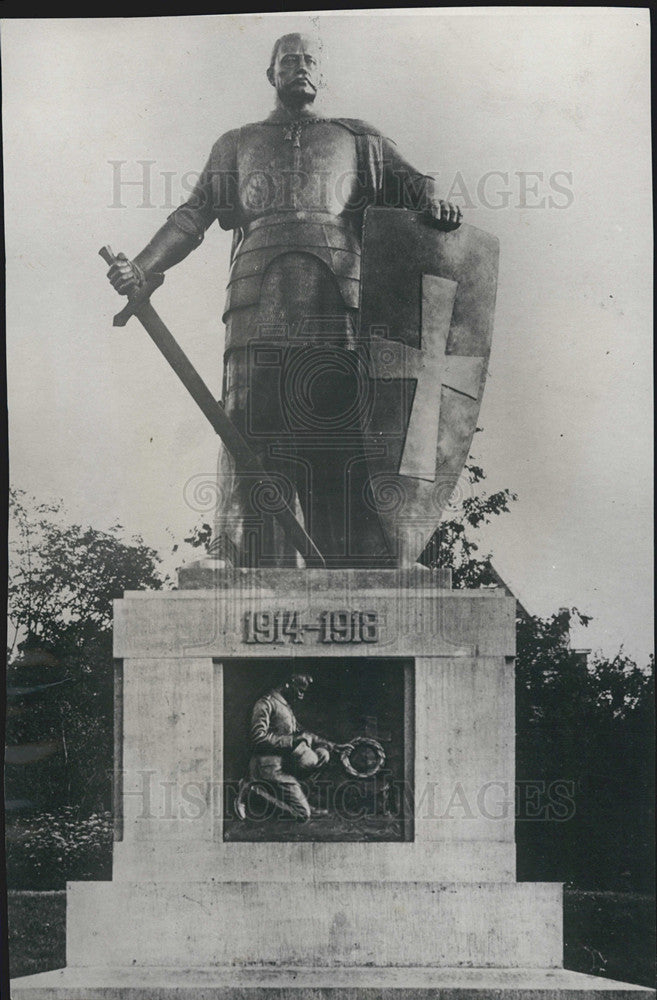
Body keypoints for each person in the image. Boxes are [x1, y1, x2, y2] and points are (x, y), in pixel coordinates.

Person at [107, 32, 462, 568]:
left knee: (345, 418)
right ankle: (232, 548)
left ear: (322, 74)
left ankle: (365, 556)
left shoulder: (358, 137)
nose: (301, 67)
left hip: (341, 292)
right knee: (248, 417)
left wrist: (436, 199)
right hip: (257, 291)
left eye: (310, 60)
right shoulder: (238, 142)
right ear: (270, 73)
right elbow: (193, 215)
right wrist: (143, 266)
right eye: (289, 60)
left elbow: (414, 185)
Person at [236, 672, 343, 821]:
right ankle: (252, 790)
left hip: (285, 763)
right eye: (299, 690)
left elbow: (302, 733)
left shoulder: (285, 706)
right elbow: (257, 738)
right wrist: (292, 741)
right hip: (267, 766)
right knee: (302, 815)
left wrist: (333, 746)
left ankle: (299, 799)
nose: (301, 696)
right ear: (289, 683)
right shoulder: (265, 703)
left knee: (322, 755)